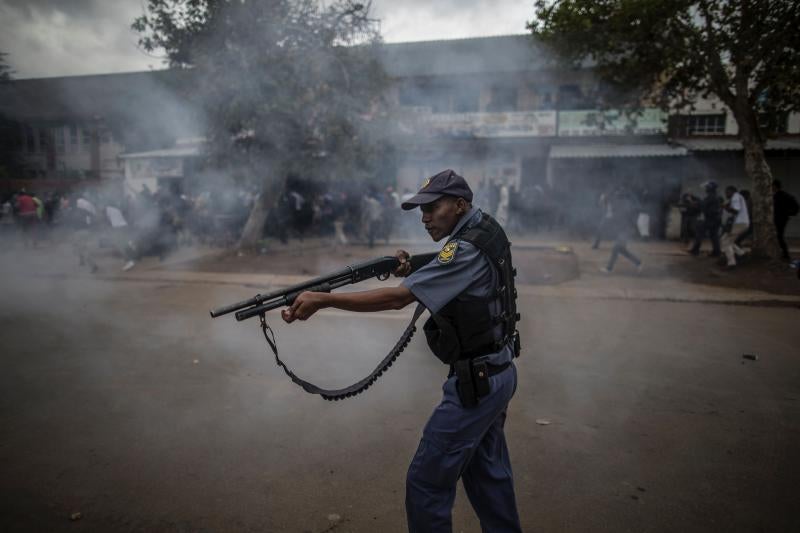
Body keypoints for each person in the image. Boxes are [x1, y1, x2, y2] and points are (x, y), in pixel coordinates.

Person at [281, 169, 522, 533]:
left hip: (477, 383)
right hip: (498, 373)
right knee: (489, 478)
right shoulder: (485, 227)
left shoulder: (463, 248)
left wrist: (324, 299)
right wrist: (417, 265)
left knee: (426, 483)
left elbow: (399, 298)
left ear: (459, 205)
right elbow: (455, 262)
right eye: (421, 211)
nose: (424, 218)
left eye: (432, 208)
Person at [600, 186, 643, 274]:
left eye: (618, 195)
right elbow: (609, 211)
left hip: (627, 229)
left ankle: (609, 269)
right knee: (621, 250)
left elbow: (627, 217)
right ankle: (638, 262)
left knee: (616, 248)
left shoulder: (625, 205)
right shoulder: (618, 204)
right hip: (623, 229)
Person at [688, 181, 722, 257]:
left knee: (700, 233)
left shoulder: (712, 196)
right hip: (714, 219)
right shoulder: (713, 196)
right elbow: (703, 203)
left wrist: (693, 202)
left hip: (711, 219)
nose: (706, 189)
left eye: (707, 187)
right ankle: (716, 252)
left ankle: (695, 250)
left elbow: (703, 205)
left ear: (710, 188)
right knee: (714, 236)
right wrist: (695, 199)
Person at [721, 185, 749, 268]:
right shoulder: (737, 197)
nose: (726, 194)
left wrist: (725, 206)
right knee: (728, 241)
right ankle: (741, 254)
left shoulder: (735, 196)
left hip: (740, 223)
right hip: (742, 223)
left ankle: (731, 263)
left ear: (732, 191)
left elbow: (735, 211)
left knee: (725, 241)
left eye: (727, 192)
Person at [773, 180, 798, 261]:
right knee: (778, 236)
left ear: (775, 186)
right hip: (779, 218)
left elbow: (796, 206)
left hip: (781, 219)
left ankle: (786, 255)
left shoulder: (783, 195)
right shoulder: (778, 195)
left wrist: (788, 213)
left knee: (779, 236)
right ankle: (782, 253)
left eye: (772, 186)